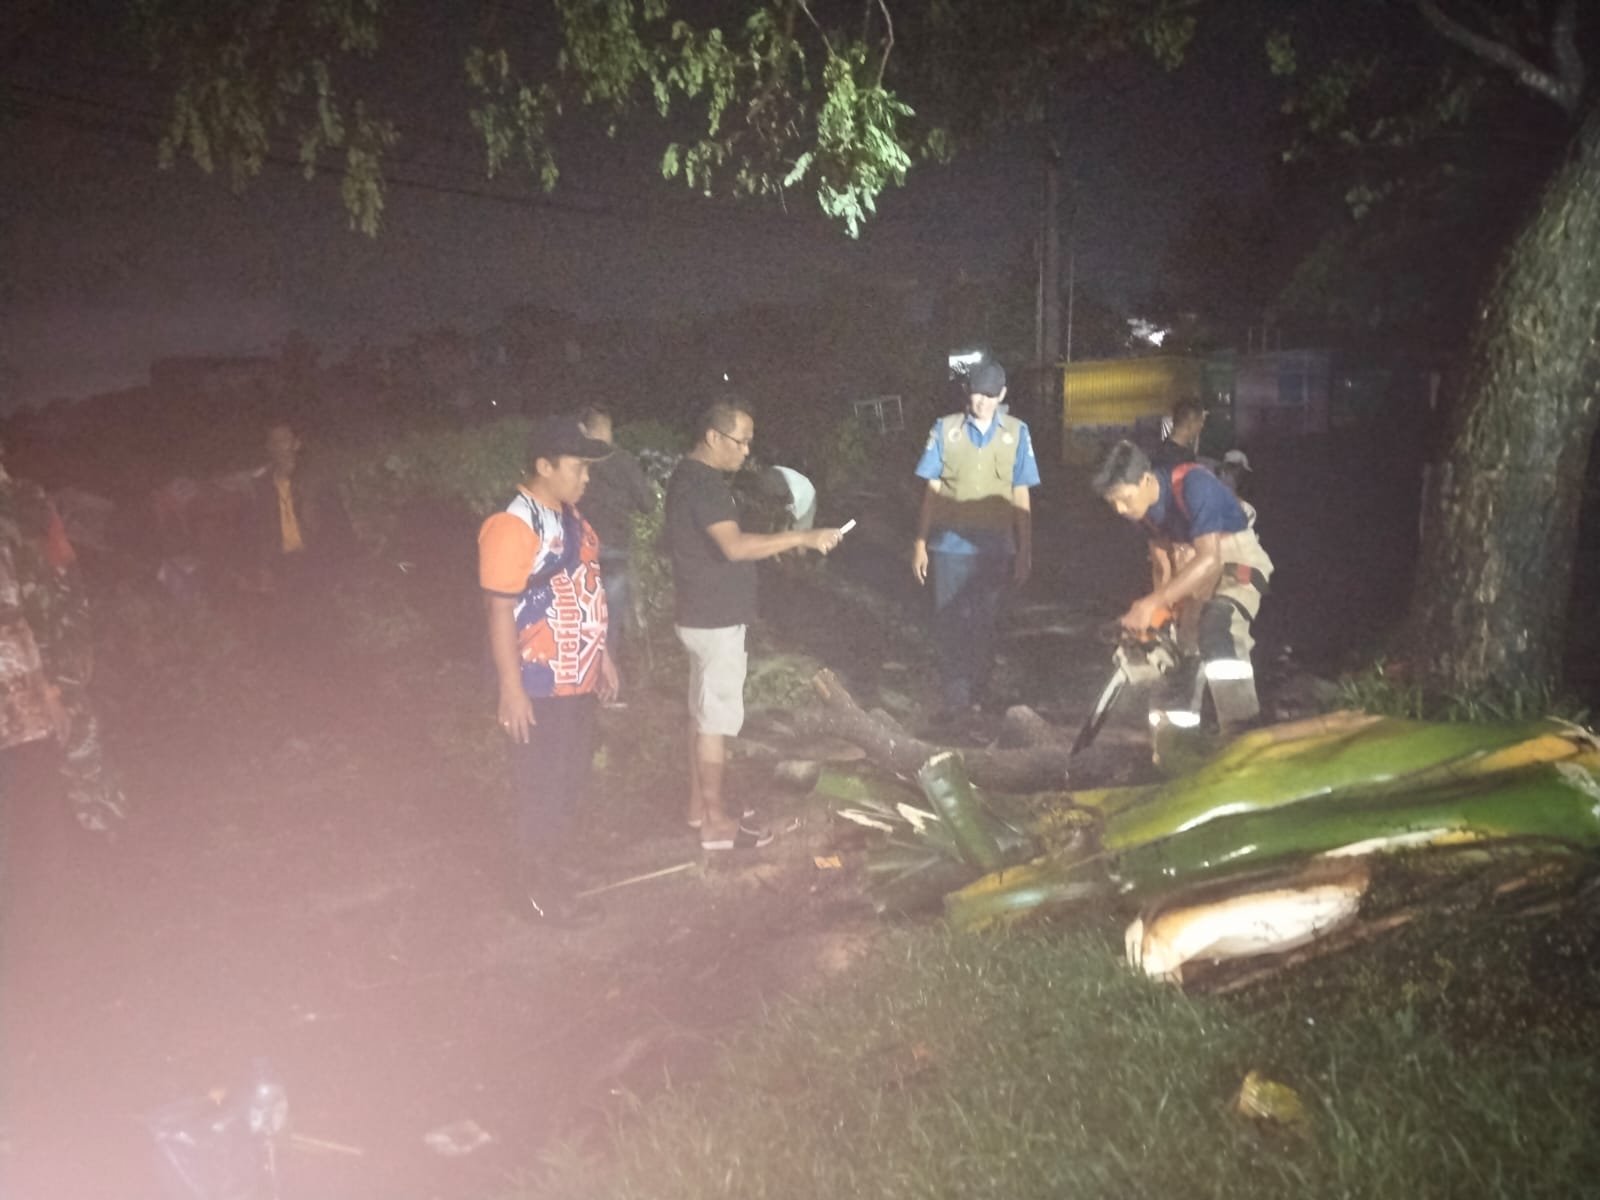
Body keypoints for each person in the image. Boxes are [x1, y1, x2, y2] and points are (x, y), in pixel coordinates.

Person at [664, 400, 843, 852]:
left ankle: (698, 808)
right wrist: (804, 536)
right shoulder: (704, 485)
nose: (746, 451)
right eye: (740, 441)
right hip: (715, 619)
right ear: (713, 437)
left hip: (700, 614)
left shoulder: (690, 477)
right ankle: (716, 825)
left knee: (701, 715)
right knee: (714, 723)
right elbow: (735, 546)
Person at [479, 415, 620, 926]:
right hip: (538, 685)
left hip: (577, 677)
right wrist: (511, 689)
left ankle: (555, 869)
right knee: (540, 786)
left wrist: (601, 655)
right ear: (544, 465)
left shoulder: (569, 515)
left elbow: (583, 582)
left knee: (570, 778)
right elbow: (499, 610)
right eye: (578, 466)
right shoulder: (513, 524)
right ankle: (535, 893)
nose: (586, 477)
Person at [1091, 440, 1274, 734]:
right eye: (1112, 502)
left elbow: (1210, 558)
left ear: (1145, 480)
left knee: (1218, 626)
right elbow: (1162, 565)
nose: (1120, 509)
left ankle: (1242, 733)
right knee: (1179, 652)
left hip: (1238, 565)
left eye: (1124, 499)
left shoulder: (1193, 484)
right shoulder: (1141, 512)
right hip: (1193, 569)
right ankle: (1173, 742)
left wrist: (1149, 604)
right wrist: (1158, 621)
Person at [0, 447, 127, 834]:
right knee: (43, 767)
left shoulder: (28, 499)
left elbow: (66, 570)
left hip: (49, 648)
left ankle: (101, 829)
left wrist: (78, 639)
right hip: (25, 661)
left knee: (77, 742)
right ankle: (88, 830)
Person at [911, 360, 1040, 721]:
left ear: (1002, 394)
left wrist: (1025, 550)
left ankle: (978, 695)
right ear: (966, 392)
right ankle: (957, 701)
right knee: (951, 623)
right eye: (976, 394)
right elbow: (932, 491)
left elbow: (1021, 494)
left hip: (995, 549)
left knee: (985, 624)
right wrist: (920, 542)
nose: (981, 402)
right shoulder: (945, 430)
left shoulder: (1017, 433)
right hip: (949, 548)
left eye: (989, 395)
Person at [576, 405, 655, 667]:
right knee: (610, 620)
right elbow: (647, 503)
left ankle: (580, 674)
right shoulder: (623, 460)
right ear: (608, 429)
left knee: (580, 617)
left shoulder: (577, 460)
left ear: (585, 429)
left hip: (580, 550)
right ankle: (606, 676)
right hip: (615, 548)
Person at [249, 422, 351, 592]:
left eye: (284, 440)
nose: (279, 446)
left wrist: (342, 560)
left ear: (296, 444)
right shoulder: (263, 485)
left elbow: (338, 519)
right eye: (274, 441)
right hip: (282, 563)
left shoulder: (316, 478)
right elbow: (262, 528)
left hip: (316, 557)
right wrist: (264, 565)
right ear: (268, 447)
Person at [1150, 398, 1206, 469]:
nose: (1202, 425)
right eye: (1201, 421)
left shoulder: (1159, 451)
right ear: (1190, 423)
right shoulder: (1184, 460)